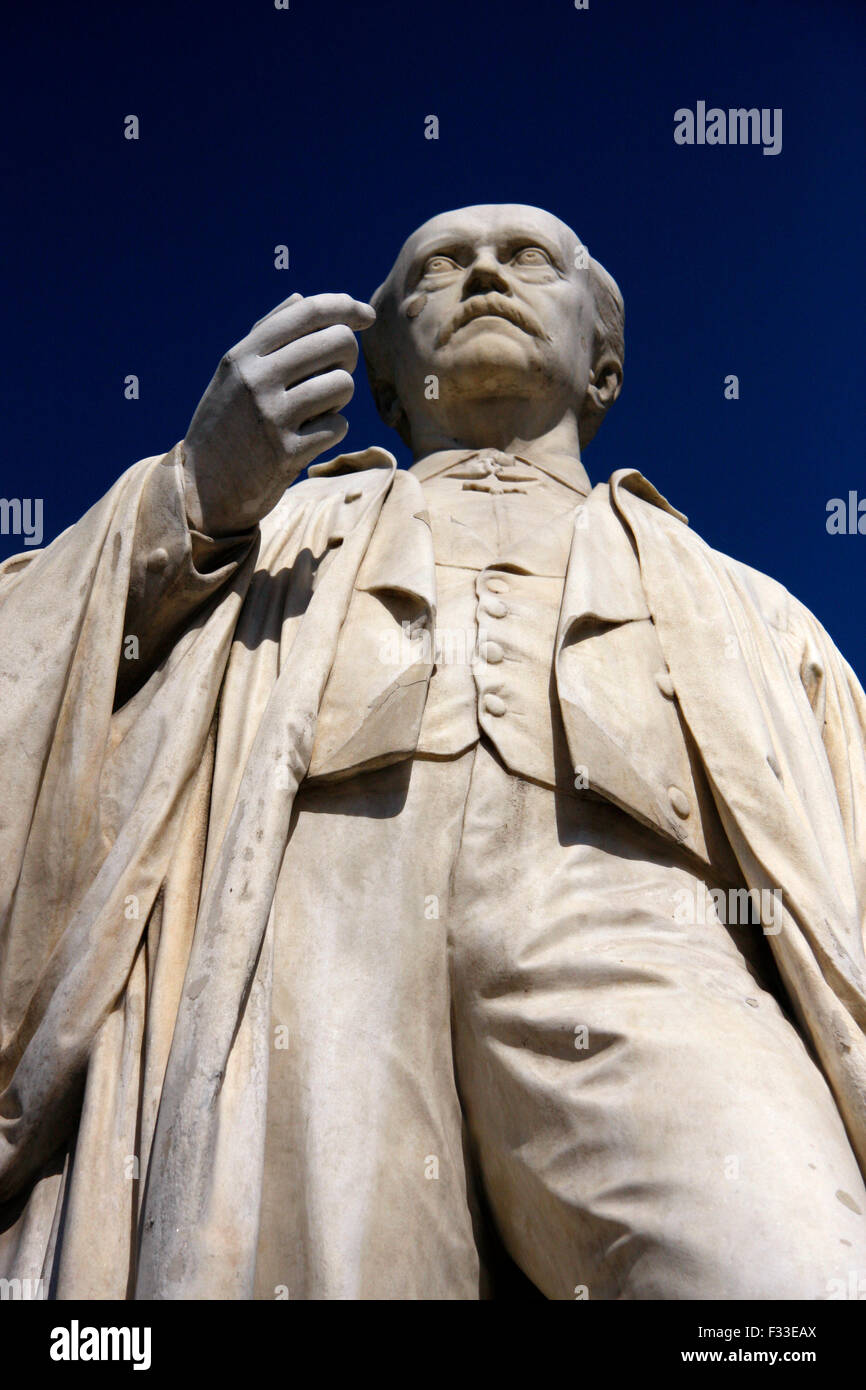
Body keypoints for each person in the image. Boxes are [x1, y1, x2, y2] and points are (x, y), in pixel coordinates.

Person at [1, 205, 865, 1300]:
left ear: (601, 368)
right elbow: (39, 677)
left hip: (649, 924)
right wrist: (191, 493)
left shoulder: (750, 611)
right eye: (438, 269)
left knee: (794, 1273)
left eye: (526, 258)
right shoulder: (268, 536)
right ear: (392, 383)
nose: (484, 274)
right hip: (310, 919)